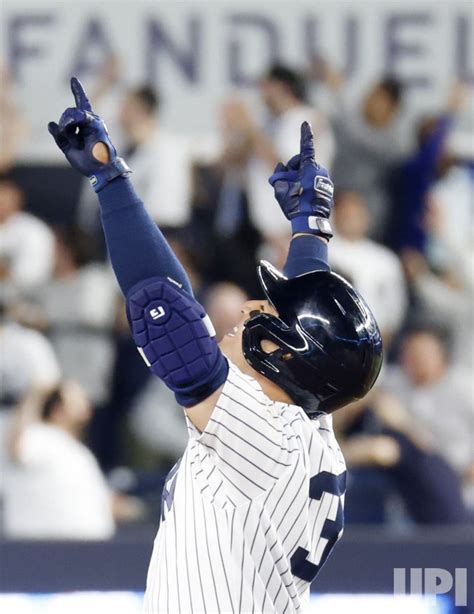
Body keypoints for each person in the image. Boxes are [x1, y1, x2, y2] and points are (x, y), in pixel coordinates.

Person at [48, 78, 382, 613]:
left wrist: (111, 179)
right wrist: (310, 226)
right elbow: (311, 335)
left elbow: (168, 311)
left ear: (285, 353)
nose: (249, 309)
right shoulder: (310, 425)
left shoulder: (265, 436)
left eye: (265, 312)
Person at [4, 381, 115, 539]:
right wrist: (35, 395)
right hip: (44, 548)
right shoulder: (42, 435)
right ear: (57, 410)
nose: (84, 400)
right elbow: (18, 450)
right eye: (76, 398)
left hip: (82, 547)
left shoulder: (76, 450)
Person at [330, 190, 407, 348]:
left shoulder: (385, 259)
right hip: (330, 340)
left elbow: (395, 309)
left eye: (357, 214)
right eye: (346, 214)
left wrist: (380, 340)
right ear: (335, 216)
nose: (351, 219)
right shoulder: (323, 252)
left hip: (373, 344)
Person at [0, 176, 55, 293]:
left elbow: (32, 278)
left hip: (24, 299)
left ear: (17, 199)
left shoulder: (34, 231)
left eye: (4, 199)